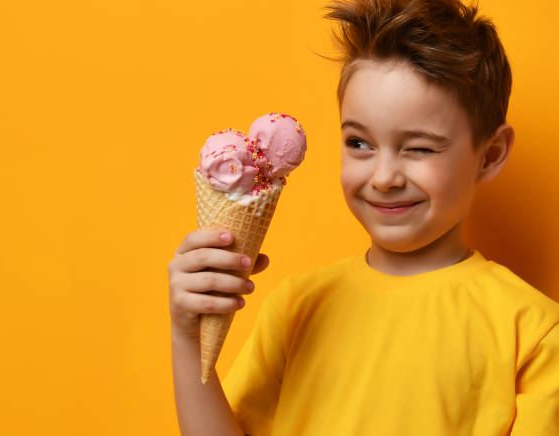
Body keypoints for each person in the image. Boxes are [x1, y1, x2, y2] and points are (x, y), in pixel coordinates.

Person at [168, 0, 559, 434]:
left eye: (419, 148)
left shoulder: (533, 331)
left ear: (490, 155)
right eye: (359, 143)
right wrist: (188, 338)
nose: (384, 177)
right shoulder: (297, 308)